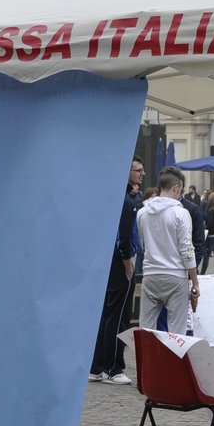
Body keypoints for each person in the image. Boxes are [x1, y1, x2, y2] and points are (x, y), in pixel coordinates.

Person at [90, 159, 143, 383]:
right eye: (138, 170)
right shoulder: (124, 201)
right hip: (120, 262)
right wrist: (127, 263)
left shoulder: (120, 197)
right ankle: (113, 368)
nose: (142, 173)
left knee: (108, 313)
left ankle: (97, 366)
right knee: (119, 315)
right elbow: (123, 236)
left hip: (113, 261)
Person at [135, 169, 199, 334]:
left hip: (150, 274)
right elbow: (187, 250)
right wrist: (195, 281)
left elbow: (143, 243)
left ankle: (146, 360)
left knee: (146, 330)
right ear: (176, 188)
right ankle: (173, 360)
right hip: (175, 275)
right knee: (177, 333)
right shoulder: (181, 213)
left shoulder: (142, 213)